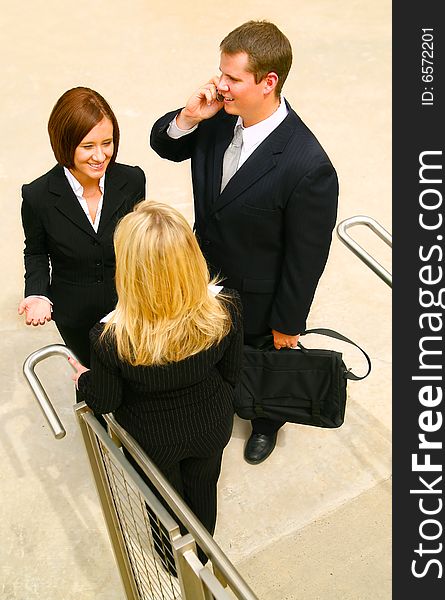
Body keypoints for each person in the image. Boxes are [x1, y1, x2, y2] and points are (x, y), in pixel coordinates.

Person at [150, 20, 339, 464]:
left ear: (268, 82)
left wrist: (288, 323)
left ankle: (267, 421)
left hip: (258, 298)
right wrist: (190, 117)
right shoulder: (217, 121)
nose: (220, 85)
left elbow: (305, 257)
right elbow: (166, 145)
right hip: (204, 277)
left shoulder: (307, 165)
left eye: (232, 78)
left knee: (259, 362)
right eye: (221, 72)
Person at [69, 200, 243, 556]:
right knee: (204, 487)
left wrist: (84, 379)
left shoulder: (110, 338)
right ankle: (203, 555)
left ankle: (169, 559)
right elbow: (231, 373)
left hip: (152, 439)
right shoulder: (225, 306)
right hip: (212, 424)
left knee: (162, 503)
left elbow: (105, 401)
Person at [18, 86, 146, 367]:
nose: (100, 156)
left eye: (107, 143)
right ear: (65, 143)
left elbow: (141, 243)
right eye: (88, 146)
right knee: (91, 384)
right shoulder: (38, 195)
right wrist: (38, 294)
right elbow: (36, 252)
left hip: (130, 309)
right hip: (76, 316)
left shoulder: (133, 181)